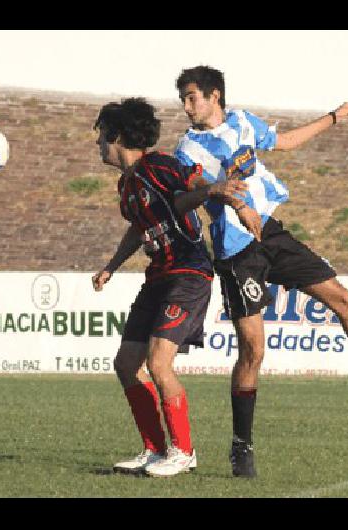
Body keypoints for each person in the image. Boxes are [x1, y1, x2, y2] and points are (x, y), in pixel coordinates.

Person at [172, 65, 348, 478]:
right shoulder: (188, 149)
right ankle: (241, 446)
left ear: (215, 95)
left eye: (192, 97)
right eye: (184, 99)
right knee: (253, 350)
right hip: (236, 251)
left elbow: (285, 141)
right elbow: (192, 196)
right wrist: (232, 202)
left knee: (343, 300)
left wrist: (332, 117)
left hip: (270, 234)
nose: (186, 106)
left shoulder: (242, 122)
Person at [90, 97, 253, 477]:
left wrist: (215, 189)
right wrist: (111, 267)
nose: (98, 145)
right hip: (159, 276)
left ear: (116, 136)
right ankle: (154, 450)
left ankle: (184, 452)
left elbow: (189, 184)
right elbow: (138, 227)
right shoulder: (127, 185)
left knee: (159, 362)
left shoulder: (157, 165)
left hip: (188, 274)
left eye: (101, 138)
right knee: (127, 363)